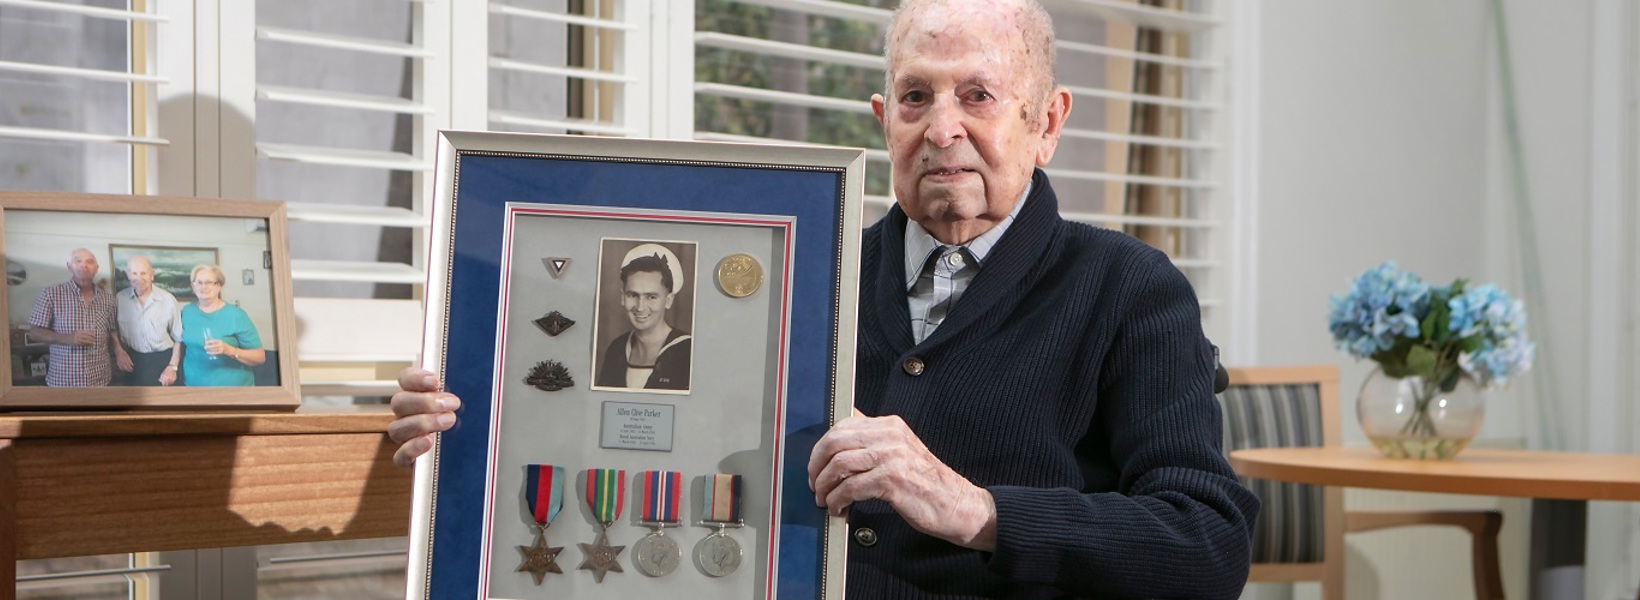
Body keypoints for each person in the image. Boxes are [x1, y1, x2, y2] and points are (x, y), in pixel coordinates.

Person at [389, 0, 1257, 596]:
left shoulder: (1131, 292)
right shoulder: (798, 269)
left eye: (979, 95)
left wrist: (978, 511)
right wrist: (480, 413)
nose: (942, 125)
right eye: (916, 95)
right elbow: (637, 419)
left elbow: (1207, 544)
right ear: (884, 118)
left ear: (1049, 122)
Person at [592, 244, 692, 390]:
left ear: (669, 300)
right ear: (622, 297)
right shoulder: (617, 349)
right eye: (632, 295)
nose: (640, 307)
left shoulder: (687, 351)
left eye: (651, 297)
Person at [27, 248, 124, 387]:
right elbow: (34, 332)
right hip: (63, 381)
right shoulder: (51, 294)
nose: (84, 265)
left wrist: (119, 350)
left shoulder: (108, 299)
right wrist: (67, 338)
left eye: (89, 262)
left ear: (96, 268)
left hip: (101, 380)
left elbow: (111, 330)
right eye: (78, 261)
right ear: (69, 266)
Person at [179, 264, 266, 386]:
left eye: (209, 282)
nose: (203, 286)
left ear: (219, 286)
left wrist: (229, 350)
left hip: (233, 390)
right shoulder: (186, 312)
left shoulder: (236, 315)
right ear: (193, 286)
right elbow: (177, 341)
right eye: (199, 282)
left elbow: (260, 357)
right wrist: (172, 367)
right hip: (194, 387)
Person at [114, 256, 184, 386]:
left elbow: (178, 338)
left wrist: (172, 367)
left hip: (163, 361)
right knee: (134, 404)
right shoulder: (120, 299)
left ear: (152, 275)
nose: (139, 278)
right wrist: (119, 351)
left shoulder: (168, 300)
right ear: (128, 275)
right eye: (134, 273)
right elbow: (112, 329)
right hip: (133, 360)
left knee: (163, 404)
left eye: (143, 273)